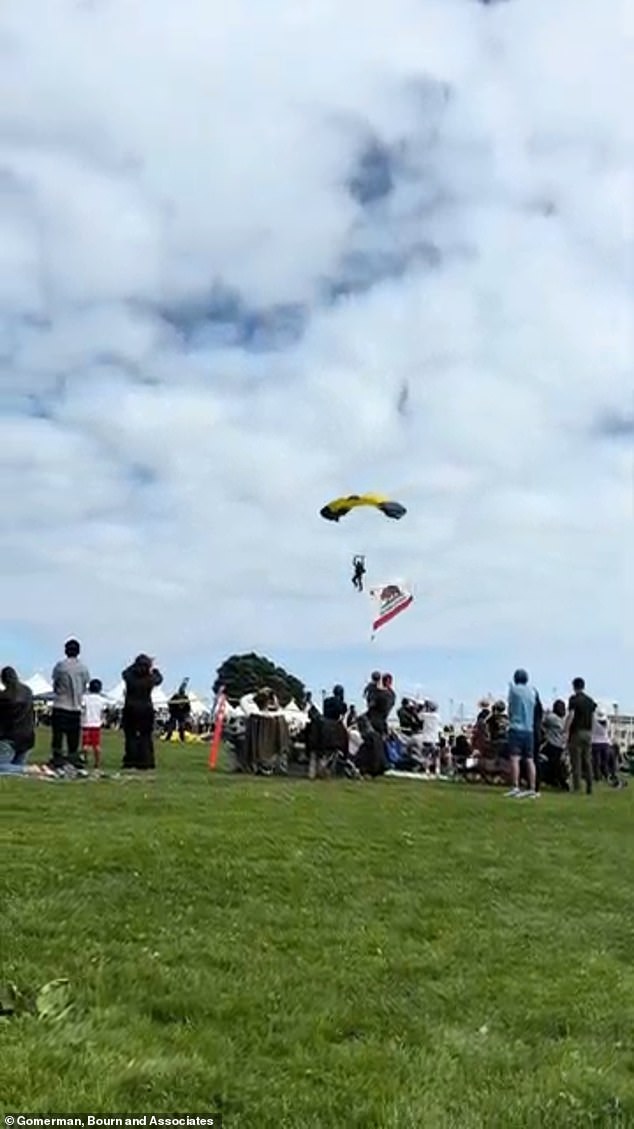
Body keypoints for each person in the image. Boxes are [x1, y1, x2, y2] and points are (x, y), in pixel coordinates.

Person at [50, 639, 90, 771]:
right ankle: (73, 756)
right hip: (75, 706)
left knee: (58, 734)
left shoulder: (60, 666)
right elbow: (85, 686)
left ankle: (57, 757)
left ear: (66, 650)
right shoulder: (83, 668)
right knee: (73, 735)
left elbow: (55, 682)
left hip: (61, 704)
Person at [121, 654, 163, 771]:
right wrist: (153, 669)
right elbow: (159, 678)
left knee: (130, 736)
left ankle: (130, 760)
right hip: (146, 708)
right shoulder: (150, 678)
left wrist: (135, 666)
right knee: (146, 736)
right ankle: (146, 761)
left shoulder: (130, 677)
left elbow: (124, 672)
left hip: (130, 707)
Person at [506, 668, 539, 799]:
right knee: (530, 759)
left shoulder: (513, 690)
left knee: (515, 758)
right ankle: (532, 787)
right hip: (529, 729)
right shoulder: (533, 691)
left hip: (516, 726)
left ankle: (515, 786)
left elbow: (510, 707)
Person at [0, 666, 36, 772]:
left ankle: (28, 769)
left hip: (10, 739)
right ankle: (22, 769)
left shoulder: (4, 697)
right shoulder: (28, 691)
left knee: (4, 766)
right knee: (16, 767)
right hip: (28, 739)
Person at [565, 677, 596, 795]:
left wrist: (566, 730)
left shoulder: (573, 699)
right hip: (588, 732)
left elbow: (571, 715)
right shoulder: (590, 701)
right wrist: (591, 731)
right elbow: (593, 718)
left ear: (574, 687)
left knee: (576, 761)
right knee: (587, 760)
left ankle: (577, 787)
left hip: (576, 732)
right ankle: (589, 786)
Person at [540, 699, 570, 790]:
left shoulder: (551, 718)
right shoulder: (563, 720)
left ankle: (552, 780)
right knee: (556, 765)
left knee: (544, 761)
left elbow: (541, 723)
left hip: (551, 744)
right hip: (560, 746)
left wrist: (545, 732)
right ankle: (557, 781)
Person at [81, 678, 108, 769]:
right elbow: (103, 711)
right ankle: (97, 762)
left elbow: (82, 708)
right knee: (96, 745)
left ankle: (85, 759)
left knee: (85, 745)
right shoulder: (101, 700)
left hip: (86, 723)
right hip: (96, 724)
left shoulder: (85, 698)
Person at [591, 707, 611, 783]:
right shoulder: (607, 722)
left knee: (596, 762)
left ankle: (597, 777)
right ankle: (606, 775)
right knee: (604, 761)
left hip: (595, 742)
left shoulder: (594, 722)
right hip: (605, 742)